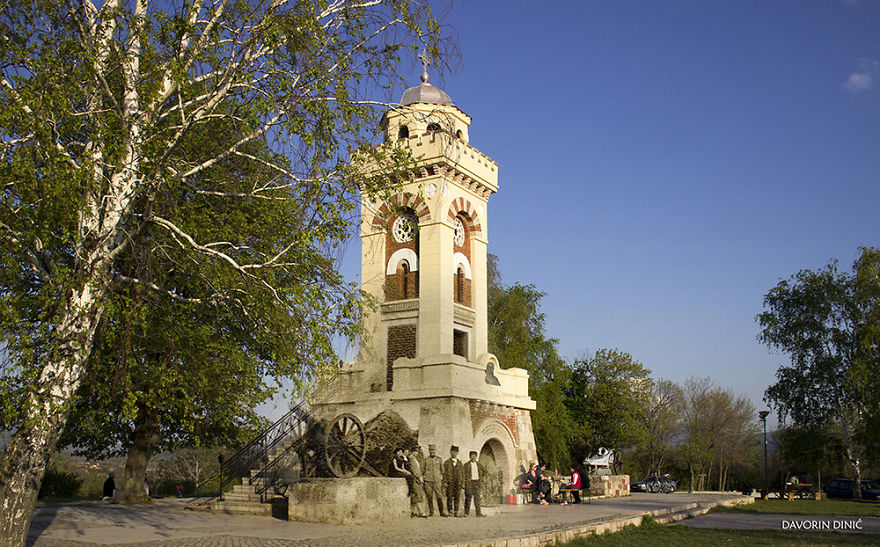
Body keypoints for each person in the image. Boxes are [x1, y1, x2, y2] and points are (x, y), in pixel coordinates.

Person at [422, 444, 447, 517]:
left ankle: (441, 512)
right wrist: (424, 477)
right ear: (429, 451)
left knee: (439, 496)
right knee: (429, 496)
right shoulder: (426, 460)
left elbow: (442, 470)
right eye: (431, 451)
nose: (432, 452)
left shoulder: (439, 459)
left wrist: (442, 479)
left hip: (437, 480)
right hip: (428, 480)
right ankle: (431, 512)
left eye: (433, 451)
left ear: (435, 451)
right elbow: (423, 469)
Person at [462, 450, 486, 517]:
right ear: (470, 457)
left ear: (476, 457)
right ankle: (466, 513)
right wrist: (465, 481)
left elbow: (485, 471)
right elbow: (463, 474)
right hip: (469, 483)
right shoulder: (466, 465)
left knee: (477, 498)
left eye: (475, 456)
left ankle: (478, 513)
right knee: (468, 498)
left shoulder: (479, 464)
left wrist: (481, 478)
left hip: (477, 483)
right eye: (472, 456)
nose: (473, 457)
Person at [443, 445, 464, 517]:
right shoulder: (446, 462)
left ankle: (456, 511)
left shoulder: (460, 463)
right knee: (449, 496)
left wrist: (462, 482)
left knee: (457, 497)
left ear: (457, 453)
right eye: (452, 452)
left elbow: (462, 473)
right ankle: (450, 511)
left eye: (455, 452)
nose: (453, 453)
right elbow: (444, 473)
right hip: (450, 482)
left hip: (458, 483)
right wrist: (445, 482)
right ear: (450, 452)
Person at [408, 445, 427, 518]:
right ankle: (421, 512)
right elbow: (414, 470)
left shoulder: (414, 459)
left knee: (416, 495)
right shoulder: (411, 459)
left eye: (417, 452)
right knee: (417, 494)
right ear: (412, 451)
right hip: (415, 479)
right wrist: (419, 478)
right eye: (415, 451)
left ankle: (413, 512)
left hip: (416, 478)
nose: (416, 453)